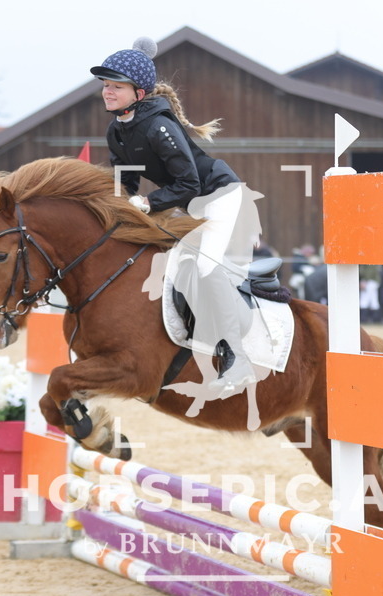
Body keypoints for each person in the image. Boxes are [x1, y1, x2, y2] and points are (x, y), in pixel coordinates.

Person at [91, 38, 262, 400]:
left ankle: (238, 357)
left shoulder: (159, 126)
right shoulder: (116, 131)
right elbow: (127, 184)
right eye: (105, 85)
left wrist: (148, 203)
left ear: (138, 93)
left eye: (115, 86)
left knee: (206, 266)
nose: (107, 91)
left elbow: (190, 183)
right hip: (188, 203)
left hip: (220, 196)